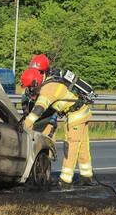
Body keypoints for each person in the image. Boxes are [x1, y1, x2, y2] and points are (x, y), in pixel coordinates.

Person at [24, 61, 96, 190]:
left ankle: (65, 181)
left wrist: (24, 126)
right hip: (82, 112)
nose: (30, 90)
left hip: (76, 116)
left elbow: (38, 111)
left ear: (36, 83)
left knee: (71, 146)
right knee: (82, 146)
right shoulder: (50, 81)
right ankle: (86, 177)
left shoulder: (47, 90)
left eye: (30, 87)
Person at [20, 54, 50, 119]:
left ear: (45, 72)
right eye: (33, 70)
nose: (36, 73)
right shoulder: (27, 88)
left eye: (40, 72)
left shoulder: (49, 84)